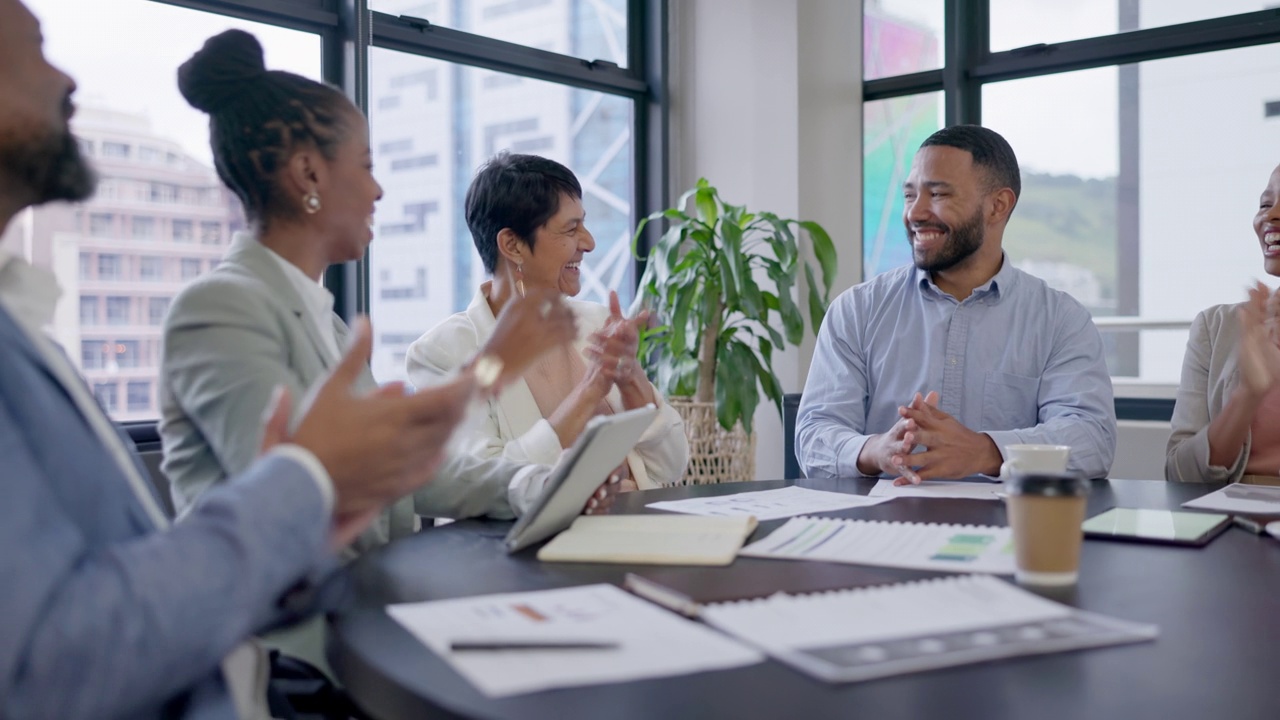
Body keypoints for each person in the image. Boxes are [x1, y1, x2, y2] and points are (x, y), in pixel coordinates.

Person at [0, 2, 487, 716]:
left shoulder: (23, 324)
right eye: (34, 48)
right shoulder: (219, 306)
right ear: (307, 173)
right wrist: (314, 474)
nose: (67, 77)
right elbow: (48, 664)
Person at [159, 32, 585, 552]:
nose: (378, 190)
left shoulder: (327, 323)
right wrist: (485, 373)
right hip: (287, 624)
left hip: (366, 595)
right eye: (365, 166)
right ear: (309, 175)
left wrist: (538, 485)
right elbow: (314, 477)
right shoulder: (218, 309)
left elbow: (402, 465)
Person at [796, 125, 1116, 483]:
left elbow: (1092, 440)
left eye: (938, 194)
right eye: (909, 195)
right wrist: (876, 450)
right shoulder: (856, 310)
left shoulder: (1061, 320)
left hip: (1008, 528)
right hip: (883, 524)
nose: (915, 213)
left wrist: (985, 451)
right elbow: (813, 436)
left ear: (998, 206)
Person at [405, 153, 688, 492]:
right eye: (571, 229)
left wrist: (630, 378)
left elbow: (673, 464)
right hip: (529, 543)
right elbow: (486, 486)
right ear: (513, 245)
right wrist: (590, 391)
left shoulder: (597, 323)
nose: (589, 243)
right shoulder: (444, 352)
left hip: (635, 530)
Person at [1166, 163, 1280, 485]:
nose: (1271, 215)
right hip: (1233, 520)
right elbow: (1177, 473)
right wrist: (1248, 394)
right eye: (1264, 204)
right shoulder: (1215, 327)